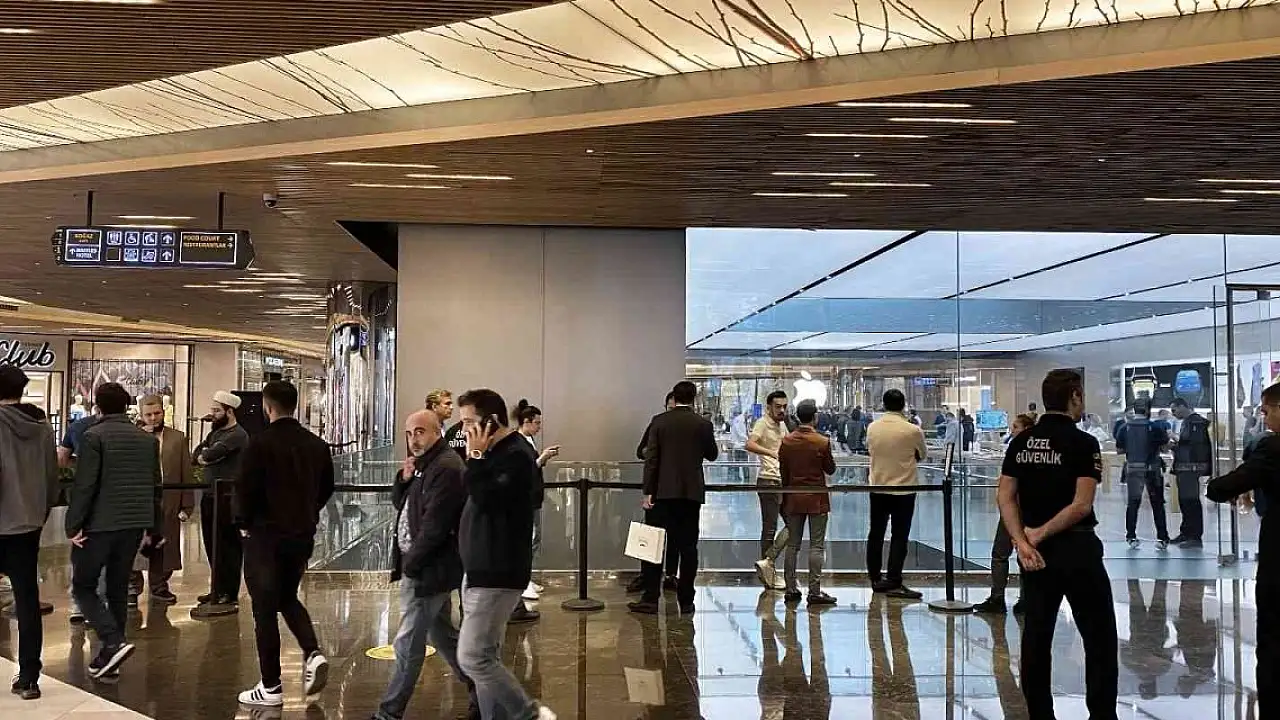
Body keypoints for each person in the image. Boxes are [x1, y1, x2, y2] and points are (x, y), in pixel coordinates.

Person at [998, 369, 1118, 720]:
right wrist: (1038, 534)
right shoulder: (1084, 443)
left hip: (1034, 556)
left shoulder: (1021, 442)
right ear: (1075, 396)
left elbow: (1005, 496)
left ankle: (1040, 713)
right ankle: (1102, 713)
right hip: (1077, 550)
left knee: (1036, 636)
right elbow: (1081, 505)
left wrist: (1022, 541)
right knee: (1099, 637)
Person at [454, 388, 556, 720]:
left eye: (468, 421)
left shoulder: (515, 456)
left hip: (497, 570)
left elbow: (487, 497)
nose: (463, 429)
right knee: (486, 656)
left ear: (491, 421)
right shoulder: (497, 453)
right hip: (480, 568)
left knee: (473, 657)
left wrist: (475, 457)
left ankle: (528, 714)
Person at [234, 381, 334, 707]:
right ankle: (313, 652)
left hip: (265, 537)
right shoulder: (317, 445)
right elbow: (326, 488)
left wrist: (243, 524)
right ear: (296, 405)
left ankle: (271, 686)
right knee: (287, 597)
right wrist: (307, 512)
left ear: (267, 407)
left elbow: (245, 488)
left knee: (263, 609)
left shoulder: (259, 444)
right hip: (301, 535)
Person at [374, 409, 476, 720]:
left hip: (428, 570)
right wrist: (403, 480)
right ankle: (483, 689)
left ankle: (389, 712)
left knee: (408, 644)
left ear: (437, 431)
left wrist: (412, 565)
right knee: (443, 637)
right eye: (409, 433)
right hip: (427, 567)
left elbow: (435, 525)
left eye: (420, 432)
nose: (413, 439)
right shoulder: (425, 464)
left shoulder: (445, 467)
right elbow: (404, 505)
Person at [66, 382, 164, 681]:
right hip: (134, 524)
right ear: (127, 406)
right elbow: (155, 486)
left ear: (97, 406)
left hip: (99, 525)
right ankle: (112, 661)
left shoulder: (93, 436)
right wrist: (155, 527)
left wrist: (73, 524)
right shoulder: (146, 440)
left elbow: (85, 485)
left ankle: (112, 640)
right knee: (118, 588)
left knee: (83, 586)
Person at [1206, 380, 1280, 714]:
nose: (1264, 418)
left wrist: (1215, 486)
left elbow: (1227, 486)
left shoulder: (1273, 448)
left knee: (1273, 636)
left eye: (1267, 411)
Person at [629, 381, 718, 615]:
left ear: (674, 398)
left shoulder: (659, 421)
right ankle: (686, 600)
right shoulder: (703, 424)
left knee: (653, 545)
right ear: (694, 398)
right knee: (688, 548)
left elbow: (651, 459)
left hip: (661, 493)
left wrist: (648, 491)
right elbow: (712, 455)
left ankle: (650, 598)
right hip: (690, 494)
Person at [0, 365, 59, 699]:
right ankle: (29, 678)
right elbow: (52, 477)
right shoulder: (42, 426)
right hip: (28, 525)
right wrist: (39, 512)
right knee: (27, 599)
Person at [865, 389, 927, 600]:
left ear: (883, 405)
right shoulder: (913, 430)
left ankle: (875, 578)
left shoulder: (873, 427)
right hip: (904, 489)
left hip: (878, 488)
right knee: (899, 536)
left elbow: (870, 450)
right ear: (904, 405)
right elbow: (922, 454)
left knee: (876, 533)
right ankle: (894, 579)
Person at [973, 413, 1037, 615]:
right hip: (1030, 510)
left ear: (1026, 429)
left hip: (1014, 510)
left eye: (1016, 426)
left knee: (1000, 554)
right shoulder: (1038, 451)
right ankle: (1026, 599)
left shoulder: (1016, 451)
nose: (1012, 430)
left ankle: (998, 597)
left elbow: (1007, 483)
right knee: (1024, 555)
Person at [193, 391, 250, 611]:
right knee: (212, 544)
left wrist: (206, 455)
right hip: (210, 496)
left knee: (228, 546)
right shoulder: (215, 433)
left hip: (228, 499)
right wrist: (205, 455)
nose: (213, 414)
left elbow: (209, 455)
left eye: (217, 410)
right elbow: (197, 454)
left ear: (230, 412)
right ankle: (218, 587)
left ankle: (229, 592)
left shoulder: (237, 435)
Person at [778, 400, 837, 606]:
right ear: (815, 417)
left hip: (793, 497)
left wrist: (784, 498)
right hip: (817, 499)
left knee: (792, 545)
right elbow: (830, 469)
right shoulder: (822, 441)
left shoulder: (787, 442)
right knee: (816, 546)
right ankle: (814, 591)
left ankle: (790, 588)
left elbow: (783, 472)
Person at [137, 395, 194, 604]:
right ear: (141, 415)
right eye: (148, 415)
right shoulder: (133, 437)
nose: (153, 418)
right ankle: (133, 587)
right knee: (138, 544)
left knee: (165, 543)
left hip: (168, 498)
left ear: (164, 412)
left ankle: (159, 585)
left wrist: (187, 505)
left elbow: (185, 471)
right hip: (140, 500)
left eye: (157, 413)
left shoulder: (177, 438)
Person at [626, 392, 679, 594]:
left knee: (675, 535)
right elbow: (641, 450)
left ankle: (671, 575)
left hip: (676, 490)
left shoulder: (685, 427)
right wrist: (655, 454)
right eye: (669, 408)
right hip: (658, 489)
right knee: (652, 534)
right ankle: (648, 577)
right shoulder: (657, 424)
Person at [514, 399, 559, 612]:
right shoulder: (517, 442)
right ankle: (522, 581)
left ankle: (526, 577)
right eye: (537, 423)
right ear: (527, 421)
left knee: (534, 538)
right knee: (528, 539)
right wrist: (541, 459)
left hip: (533, 497)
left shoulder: (528, 440)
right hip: (525, 498)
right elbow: (523, 470)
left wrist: (542, 459)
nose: (539, 427)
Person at [748, 390, 790, 590]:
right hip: (769, 480)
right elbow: (750, 444)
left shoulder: (782, 425)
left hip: (781, 480)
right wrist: (771, 453)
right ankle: (767, 569)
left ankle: (768, 561)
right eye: (778, 406)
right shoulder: (762, 423)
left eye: (784, 406)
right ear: (769, 407)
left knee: (792, 524)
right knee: (770, 527)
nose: (781, 410)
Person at [1116, 398, 1171, 550]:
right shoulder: (1156, 427)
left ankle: (1131, 536)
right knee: (1157, 504)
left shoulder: (1124, 427)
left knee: (1133, 504)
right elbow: (1165, 448)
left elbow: (1119, 450)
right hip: (1153, 470)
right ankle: (1162, 537)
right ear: (1148, 410)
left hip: (1133, 469)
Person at [1169, 398, 1212, 548]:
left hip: (1190, 467)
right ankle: (1186, 532)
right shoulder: (1188, 423)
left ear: (1182, 406)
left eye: (1174, 410)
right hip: (1184, 467)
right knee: (1184, 501)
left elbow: (1194, 447)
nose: (1173, 414)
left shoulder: (1196, 423)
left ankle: (1194, 536)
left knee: (1191, 501)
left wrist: (1175, 443)